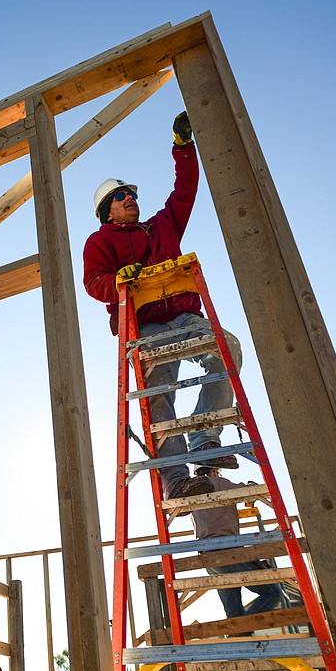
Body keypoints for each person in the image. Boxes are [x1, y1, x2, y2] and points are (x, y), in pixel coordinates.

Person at [82, 111, 243, 500]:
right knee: (157, 388)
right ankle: (175, 478)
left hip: (186, 317)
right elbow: (93, 283)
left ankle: (205, 438)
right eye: (122, 197)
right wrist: (119, 280)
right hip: (147, 326)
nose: (131, 199)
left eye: (133, 194)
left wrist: (183, 147)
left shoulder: (161, 228)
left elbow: (185, 190)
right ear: (108, 210)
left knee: (226, 348)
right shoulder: (100, 242)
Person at [190, 466, 291, 671]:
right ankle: (241, 638)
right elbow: (253, 491)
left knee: (233, 616)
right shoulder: (220, 483)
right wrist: (250, 487)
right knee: (272, 592)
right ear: (214, 471)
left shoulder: (191, 492)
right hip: (228, 552)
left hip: (209, 559)